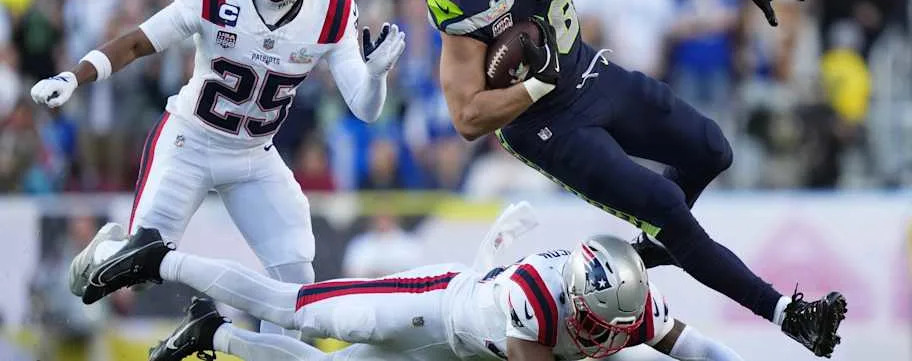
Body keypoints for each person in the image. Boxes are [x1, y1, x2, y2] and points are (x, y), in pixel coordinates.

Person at [425, 0, 844, 357]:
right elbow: (468, 118)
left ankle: (655, 246)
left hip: (586, 73)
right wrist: (535, 85)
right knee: (666, 207)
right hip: (540, 124)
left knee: (711, 149)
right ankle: (787, 315)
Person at [30, 0, 406, 336]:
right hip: (190, 141)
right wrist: (75, 76)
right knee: (140, 268)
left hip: (254, 156)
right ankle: (101, 253)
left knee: (296, 283)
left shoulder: (332, 12)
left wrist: (376, 76)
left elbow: (365, 108)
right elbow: (139, 42)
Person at [73, 225, 756, 361]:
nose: (607, 336)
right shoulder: (537, 297)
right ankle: (158, 258)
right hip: (434, 306)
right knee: (298, 312)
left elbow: (698, 349)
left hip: (462, 353)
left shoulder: (634, 305)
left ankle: (212, 333)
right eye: (595, 323)